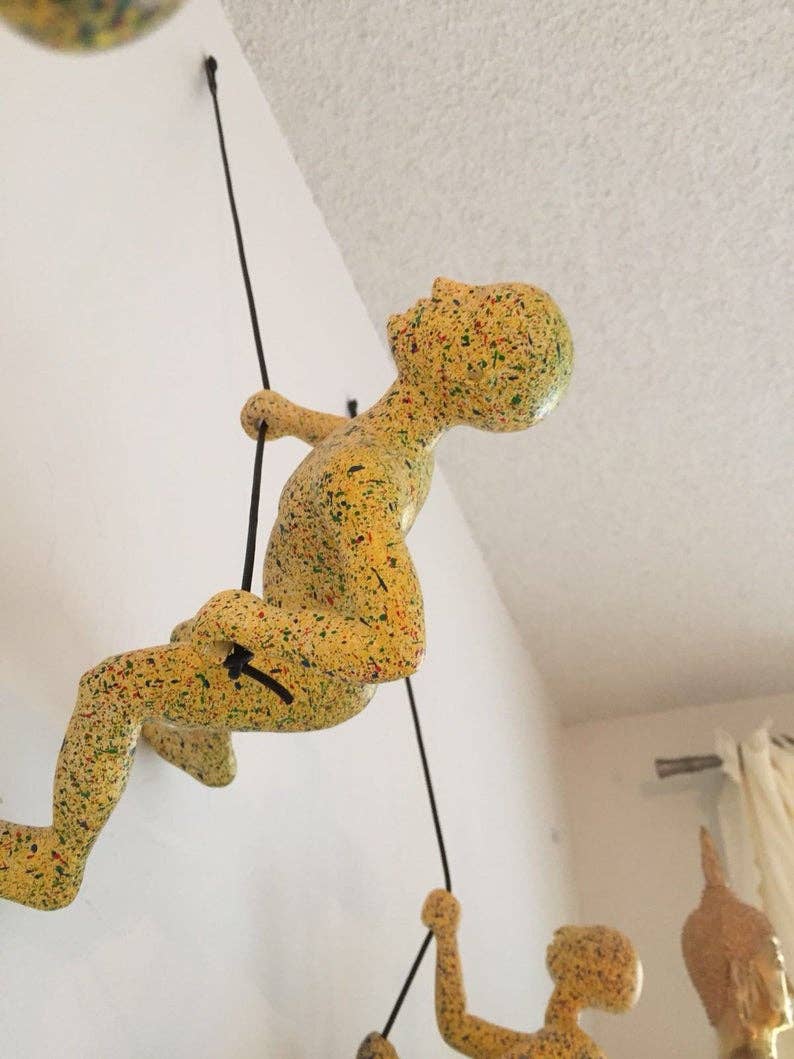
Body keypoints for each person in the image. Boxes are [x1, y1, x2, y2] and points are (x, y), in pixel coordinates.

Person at [0, 277, 573, 910]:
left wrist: (260, 625)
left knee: (114, 689)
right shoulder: (401, 446)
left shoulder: (364, 479)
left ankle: (56, 864)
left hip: (309, 674)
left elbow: (398, 644)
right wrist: (297, 420)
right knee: (191, 641)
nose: (446, 286)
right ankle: (206, 751)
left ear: (467, 369)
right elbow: (353, 438)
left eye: (470, 304)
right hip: (296, 638)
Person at [358, 888, 641, 1059]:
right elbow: (457, 1028)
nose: (564, 932)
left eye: (588, 939)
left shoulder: (568, 1049)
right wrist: (446, 936)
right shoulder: (556, 1039)